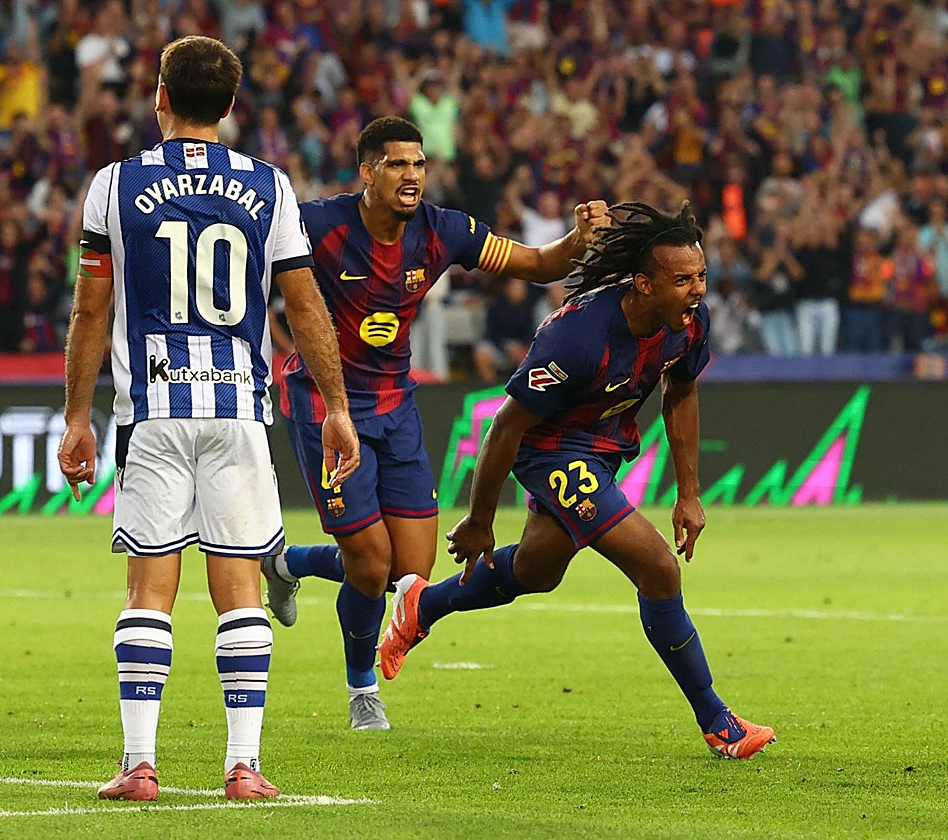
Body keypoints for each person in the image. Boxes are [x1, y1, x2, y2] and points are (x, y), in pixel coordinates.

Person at [58, 36, 359, 803]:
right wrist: (336, 406)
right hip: (238, 411)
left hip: (153, 409)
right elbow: (304, 305)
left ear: (160, 96)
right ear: (229, 104)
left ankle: (140, 765)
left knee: (148, 590)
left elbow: (91, 309)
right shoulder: (270, 187)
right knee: (240, 588)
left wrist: (76, 417)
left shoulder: (112, 186)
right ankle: (243, 766)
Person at [377, 201, 777, 760]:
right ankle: (718, 722)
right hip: (550, 451)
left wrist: (689, 494)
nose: (697, 291)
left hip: (604, 449)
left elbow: (682, 393)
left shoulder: (688, 324)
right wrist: (480, 520)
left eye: (701, 276)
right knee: (658, 568)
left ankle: (423, 605)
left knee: (538, 571)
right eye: (683, 280)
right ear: (643, 285)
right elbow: (505, 427)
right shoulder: (579, 336)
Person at [264, 115, 608, 731]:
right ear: (367, 172)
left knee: (408, 574)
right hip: (326, 406)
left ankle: (288, 563)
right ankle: (362, 687)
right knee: (371, 565)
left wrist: (577, 240)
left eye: (419, 164)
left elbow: (536, 263)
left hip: (395, 405)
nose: (412, 176)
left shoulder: (443, 229)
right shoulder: (317, 224)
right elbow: (248, 269)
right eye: (397, 164)